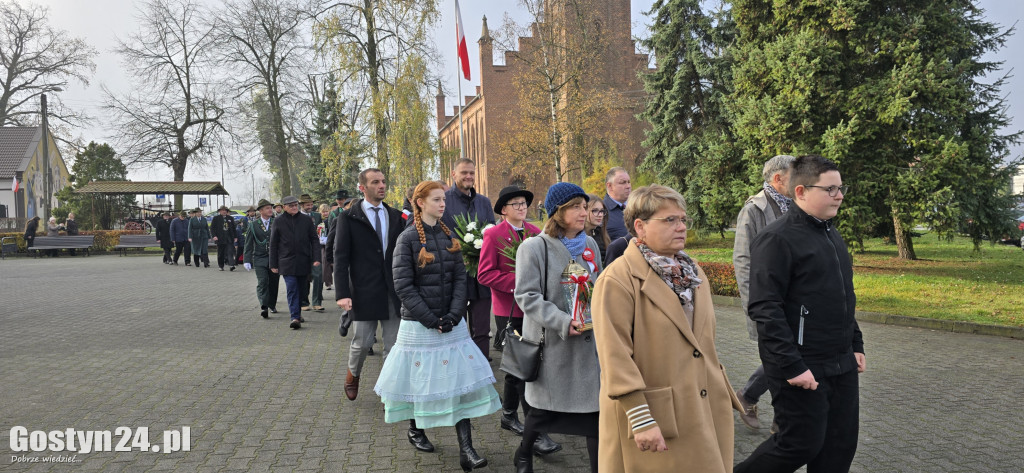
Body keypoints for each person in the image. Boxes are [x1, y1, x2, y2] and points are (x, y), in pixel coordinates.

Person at [592, 184, 742, 472]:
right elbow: (614, 357)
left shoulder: (693, 272)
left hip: (703, 405)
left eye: (683, 219)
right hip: (652, 417)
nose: (681, 227)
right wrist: (640, 417)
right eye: (670, 220)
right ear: (640, 226)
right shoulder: (618, 279)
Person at [734, 155, 865, 473]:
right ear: (802, 191)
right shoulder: (777, 239)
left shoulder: (831, 234)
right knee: (798, 444)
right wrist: (792, 365)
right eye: (831, 188)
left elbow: (841, 297)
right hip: (800, 366)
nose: (839, 195)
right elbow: (765, 308)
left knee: (839, 447)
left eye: (841, 187)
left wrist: (856, 343)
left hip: (840, 362)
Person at [376, 180, 500, 472]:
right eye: (436, 199)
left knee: (457, 382)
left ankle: (467, 450)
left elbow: (460, 278)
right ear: (420, 203)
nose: (443, 204)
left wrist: (456, 313)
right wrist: (431, 319)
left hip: (451, 322)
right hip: (420, 324)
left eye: (443, 199)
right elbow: (403, 286)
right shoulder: (407, 239)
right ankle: (416, 429)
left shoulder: (450, 236)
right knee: (420, 382)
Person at [512, 182, 603, 473]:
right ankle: (524, 453)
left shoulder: (590, 245)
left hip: (588, 344)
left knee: (594, 416)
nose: (583, 211)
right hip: (552, 345)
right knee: (540, 414)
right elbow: (526, 296)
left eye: (584, 205)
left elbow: (598, 286)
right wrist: (564, 321)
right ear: (557, 212)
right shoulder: (534, 247)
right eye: (575, 206)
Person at [476, 185, 562, 456]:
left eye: (524, 203)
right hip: (509, 309)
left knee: (527, 363)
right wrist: (519, 284)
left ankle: (509, 413)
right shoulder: (493, 235)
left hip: (535, 309)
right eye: (515, 203)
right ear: (503, 210)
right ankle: (534, 431)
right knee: (522, 362)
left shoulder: (537, 233)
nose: (522, 207)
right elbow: (484, 274)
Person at [732, 154, 796, 431]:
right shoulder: (754, 209)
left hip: (794, 298)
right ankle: (778, 417)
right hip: (767, 299)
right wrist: (752, 304)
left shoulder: (797, 206)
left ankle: (750, 398)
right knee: (781, 356)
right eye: (796, 176)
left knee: (788, 354)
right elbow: (743, 260)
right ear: (778, 178)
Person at [334, 168, 403, 400]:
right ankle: (353, 375)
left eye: (383, 181)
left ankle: (388, 392)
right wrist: (342, 293)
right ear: (362, 187)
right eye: (375, 182)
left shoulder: (395, 216)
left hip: (393, 290)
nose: (382, 186)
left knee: (393, 346)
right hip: (364, 290)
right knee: (362, 342)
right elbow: (340, 257)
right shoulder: (349, 216)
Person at [440, 158, 496, 359]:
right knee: (457, 327)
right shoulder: (444, 201)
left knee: (482, 329)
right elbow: (439, 235)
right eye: (464, 172)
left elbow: (491, 233)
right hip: (455, 275)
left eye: (471, 172)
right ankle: (458, 371)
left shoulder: (484, 202)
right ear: (453, 174)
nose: (469, 176)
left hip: (481, 275)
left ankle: (481, 373)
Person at [269, 195, 320, 330]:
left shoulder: (306, 220)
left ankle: (297, 312)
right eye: (290, 205)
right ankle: (295, 317)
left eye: (295, 205)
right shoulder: (278, 221)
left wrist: (316, 258)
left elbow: (314, 240)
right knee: (292, 288)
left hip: (304, 260)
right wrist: (273, 264)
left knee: (302, 289)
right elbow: (273, 243)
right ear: (284, 207)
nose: (294, 207)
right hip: (286, 261)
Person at [244, 199, 280, 318]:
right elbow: (248, 243)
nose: (270, 210)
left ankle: (272, 304)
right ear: (261, 211)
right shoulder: (253, 225)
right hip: (259, 258)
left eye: (271, 208)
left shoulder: (277, 222)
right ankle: (264, 306)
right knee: (263, 281)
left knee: (274, 283)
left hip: (274, 258)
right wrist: (247, 259)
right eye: (267, 208)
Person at [299, 194, 320, 311]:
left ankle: (317, 301)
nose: (310, 206)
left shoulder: (317, 216)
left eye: (311, 204)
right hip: (302, 252)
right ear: (301, 205)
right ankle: (303, 302)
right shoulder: (296, 217)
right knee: (304, 278)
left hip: (316, 250)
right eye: (307, 205)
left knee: (318, 276)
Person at [603, 167, 632, 241]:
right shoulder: (601, 212)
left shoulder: (638, 207)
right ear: (610, 186)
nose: (628, 186)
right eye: (623, 182)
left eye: (629, 182)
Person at [211, 205, 237, 271]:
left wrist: (235, 237)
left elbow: (234, 228)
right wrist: (214, 236)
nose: (224, 211)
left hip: (229, 238)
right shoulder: (216, 218)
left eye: (225, 210)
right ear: (220, 211)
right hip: (220, 238)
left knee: (230, 251)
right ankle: (221, 266)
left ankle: (231, 265)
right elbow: (212, 228)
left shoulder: (230, 218)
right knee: (221, 253)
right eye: (222, 210)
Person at [317, 203, 332, 298]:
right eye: (323, 212)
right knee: (324, 266)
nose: (325, 213)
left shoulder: (330, 220)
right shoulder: (319, 222)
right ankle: (324, 283)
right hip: (322, 245)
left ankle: (328, 282)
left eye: (327, 211)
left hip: (329, 244)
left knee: (328, 265)